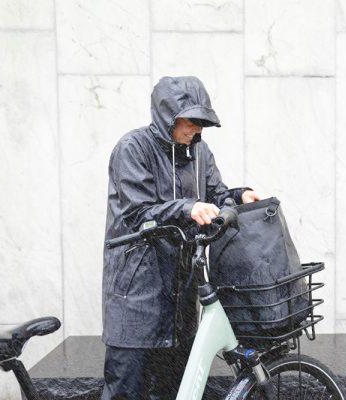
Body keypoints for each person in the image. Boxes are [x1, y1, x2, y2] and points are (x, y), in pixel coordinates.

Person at [101, 76, 261, 399]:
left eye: (202, 122)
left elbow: (215, 195)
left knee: (177, 392)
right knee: (124, 393)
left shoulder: (200, 155)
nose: (196, 130)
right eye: (190, 121)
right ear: (167, 116)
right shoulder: (132, 149)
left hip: (181, 305)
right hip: (136, 303)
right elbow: (138, 212)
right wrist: (188, 208)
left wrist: (239, 196)